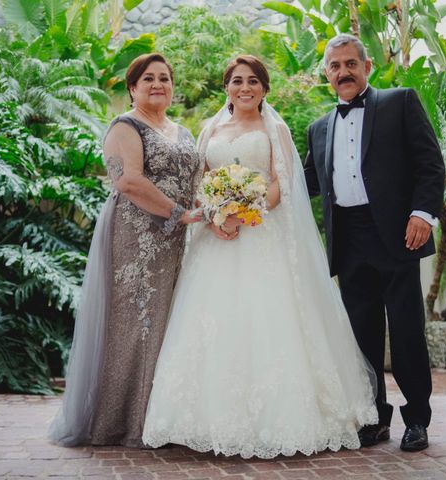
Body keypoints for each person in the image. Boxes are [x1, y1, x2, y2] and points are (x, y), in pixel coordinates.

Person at [142, 55, 378, 458]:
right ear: (227, 88)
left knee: (269, 321)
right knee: (212, 324)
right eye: (237, 81)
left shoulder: (275, 129)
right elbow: (200, 183)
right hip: (215, 240)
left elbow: (280, 183)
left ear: (265, 89)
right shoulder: (210, 129)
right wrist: (216, 216)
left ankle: (280, 420)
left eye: (253, 81)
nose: (245, 87)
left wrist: (246, 211)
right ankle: (203, 421)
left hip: (261, 234)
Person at [48, 53, 202, 447]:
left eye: (165, 78)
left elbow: (199, 180)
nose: (158, 84)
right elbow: (128, 182)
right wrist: (180, 214)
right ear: (132, 87)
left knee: (169, 325)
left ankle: (159, 419)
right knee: (134, 325)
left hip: (179, 240)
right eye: (147, 78)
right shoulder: (125, 126)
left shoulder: (183, 132)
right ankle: (121, 421)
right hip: (137, 237)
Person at [304, 34, 445, 451]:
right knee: (360, 338)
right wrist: (254, 187)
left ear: (366, 67)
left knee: (406, 334)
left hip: (398, 234)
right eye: (335, 66)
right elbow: (306, 183)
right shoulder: (318, 128)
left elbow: (429, 163)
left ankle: (417, 419)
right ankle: (374, 417)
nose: (343, 72)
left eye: (350, 63)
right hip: (348, 241)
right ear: (326, 74)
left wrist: (423, 214)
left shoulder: (399, 102)